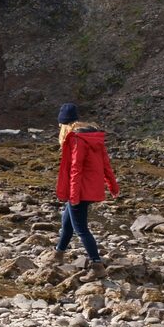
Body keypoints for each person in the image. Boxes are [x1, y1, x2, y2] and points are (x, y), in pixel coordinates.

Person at [55, 102, 119, 267]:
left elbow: (76, 170)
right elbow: (106, 164)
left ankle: (96, 265)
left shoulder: (77, 140)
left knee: (81, 229)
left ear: (64, 125)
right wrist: (113, 186)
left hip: (81, 191)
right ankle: (58, 254)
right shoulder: (93, 137)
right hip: (92, 189)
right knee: (67, 223)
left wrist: (74, 196)